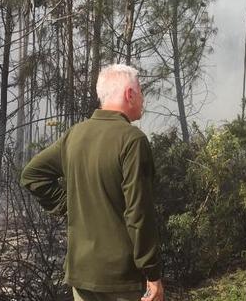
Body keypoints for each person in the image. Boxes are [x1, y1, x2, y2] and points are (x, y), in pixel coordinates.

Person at [21, 64, 164, 301]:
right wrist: (153, 274)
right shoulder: (132, 140)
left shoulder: (75, 135)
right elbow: (139, 214)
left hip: (81, 274)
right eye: (140, 92)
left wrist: (72, 206)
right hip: (121, 279)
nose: (143, 98)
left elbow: (32, 175)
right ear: (129, 94)